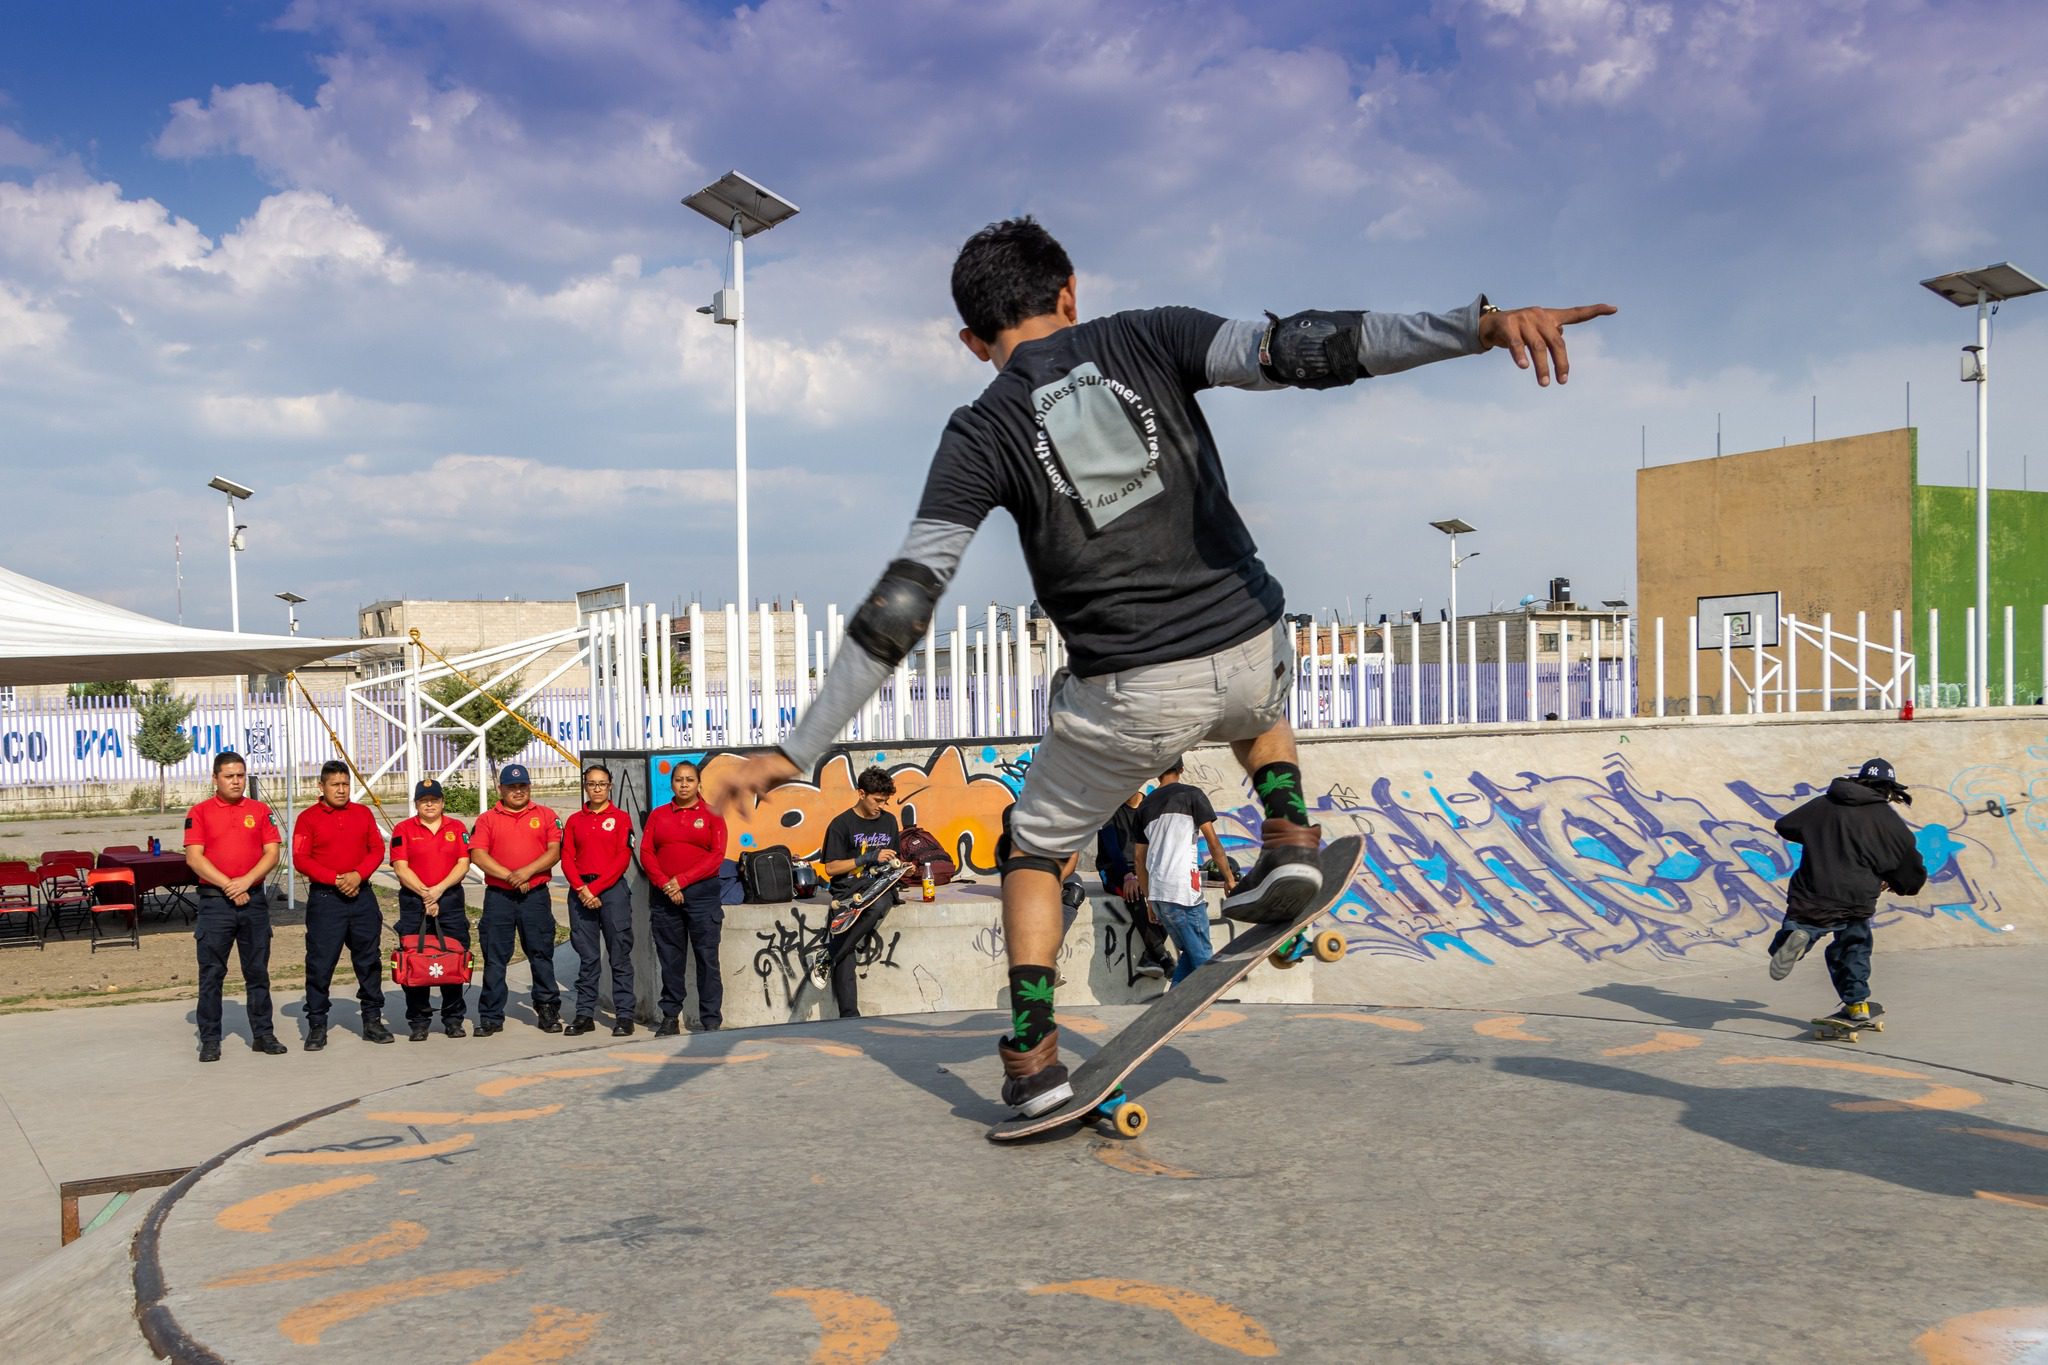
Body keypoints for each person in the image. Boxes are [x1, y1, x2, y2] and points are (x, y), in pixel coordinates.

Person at [724, 215, 1614, 1116]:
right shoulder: (1153, 333)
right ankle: (1287, 829)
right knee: (1251, 663)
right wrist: (1480, 324)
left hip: (1129, 694)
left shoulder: (980, 430)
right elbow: (1307, 347)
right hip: (1255, 648)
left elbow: (905, 601)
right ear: (1070, 293)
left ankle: (1033, 1051)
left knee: (1034, 846)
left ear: (970, 340)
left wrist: (800, 747)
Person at [1768, 757, 1928, 1029]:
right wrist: (1901, 883)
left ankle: (1796, 940)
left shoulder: (1824, 804)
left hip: (1814, 890)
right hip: (1857, 897)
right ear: (1889, 789)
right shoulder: (1887, 821)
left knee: (1804, 924)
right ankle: (1856, 1003)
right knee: (1853, 947)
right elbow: (1907, 864)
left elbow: (1786, 825)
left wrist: (1819, 836)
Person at [184, 750, 286, 1062]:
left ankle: (263, 1034)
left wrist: (245, 882)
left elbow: (272, 852)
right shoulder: (199, 812)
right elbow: (194, 858)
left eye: (240, 775)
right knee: (212, 973)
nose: (236, 781)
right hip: (216, 905)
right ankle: (211, 1038)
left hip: (253, 902)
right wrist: (229, 884)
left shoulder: (259, 809)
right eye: (229, 776)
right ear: (215, 779)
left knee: (257, 972)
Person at [291, 760, 391, 1049]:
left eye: (345, 784)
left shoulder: (363, 813)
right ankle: (317, 1025)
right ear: (321, 787)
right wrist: (335, 879)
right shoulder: (308, 818)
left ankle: (372, 1019)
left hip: (362, 897)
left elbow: (377, 848)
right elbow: (301, 858)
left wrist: (358, 875)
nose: (341, 789)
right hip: (326, 900)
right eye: (335, 784)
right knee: (320, 964)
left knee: (369, 961)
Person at [468, 763, 564, 1036]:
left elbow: (554, 851)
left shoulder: (545, 815)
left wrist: (526, 872)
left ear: (529, 787)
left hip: (534, 896)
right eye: (512, 787)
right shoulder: (488, 819)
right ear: (501, 789)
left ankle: (547, 1009)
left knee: (541, 953)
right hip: (500, 897)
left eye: (523, 786)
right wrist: (510, 876)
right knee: (496, 958)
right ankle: (491, 1015)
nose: (518, 791)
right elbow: (478, 854)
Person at [639, 760, 728, 1034]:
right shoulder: (659, 815)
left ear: (698, 783)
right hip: (665, 896)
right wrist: (666, 884)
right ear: (672, 783)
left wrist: (683, 881)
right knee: (670, 960)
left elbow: (716, 855)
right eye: (679, 780)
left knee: (707, 960)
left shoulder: (713, 814)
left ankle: (711, 1019)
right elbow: (646, 852)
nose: (684, 784)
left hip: (702, 896)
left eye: (689, 779)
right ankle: (669, 1017)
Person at [1134, 759, 1237, 985]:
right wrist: (1229, 879)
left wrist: (1150, 899)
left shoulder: (1145, 806)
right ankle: (1210, 1010)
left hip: (1160, 895)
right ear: (1181, 769)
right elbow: (1214, 843)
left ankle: (1170, 1009)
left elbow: (1139, 858)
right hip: (1183, 894)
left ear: (1157, 773)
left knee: (1191, 956)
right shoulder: (1192, 795)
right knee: (1203, 958)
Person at [389, 778, 473, 1041]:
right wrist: (426, 894)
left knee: (453, 958)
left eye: (434, 800)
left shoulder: (456, 827)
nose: (429, 805)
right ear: (416, 804)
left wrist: (438, 890)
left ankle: (453, 1019)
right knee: (415, 960)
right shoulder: (403, 829)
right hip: (415, 902)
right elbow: (401, 868)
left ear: (442, 802)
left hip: (450, 901)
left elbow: (463, 863)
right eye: (424, 801)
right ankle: (419, 1021)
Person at [817, 767, 903, 1019]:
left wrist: (899, 867)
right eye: (877, 800)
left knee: (878, 905)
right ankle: (849, 1017)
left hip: (878, 888)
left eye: (885, 801)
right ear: (861, 793)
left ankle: (829, 954)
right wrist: (868, 857)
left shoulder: (888, 821)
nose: (881, 806)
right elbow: (832, 868)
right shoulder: (841, 824)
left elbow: (894, 857)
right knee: (847, 935)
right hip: (848, 890)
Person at [561, 763, 636, 1037]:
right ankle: (584, 1014)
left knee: (619, 955)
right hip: (581, 891)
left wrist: (596, 889)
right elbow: (567, 857)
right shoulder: (574, 820)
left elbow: (622, 858)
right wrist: (582, 889)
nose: (597, 789)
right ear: (585, 786)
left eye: (602, 784)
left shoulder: (621, 818)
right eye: (592, 783)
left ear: (610, 786)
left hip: (612, 891)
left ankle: (624, 1015)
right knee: (588, 957)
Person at [1096, 789, 1175, 981]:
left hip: (1146, 868)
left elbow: (1161, 846)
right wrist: (1128, 876)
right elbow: (1113, 851)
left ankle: (1150, 956)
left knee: (1170, 892)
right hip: (1116, 870)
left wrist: (1145, 875)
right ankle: (1162, 956)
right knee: (1135, 893)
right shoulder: (1110, 808)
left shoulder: (1152, 808)